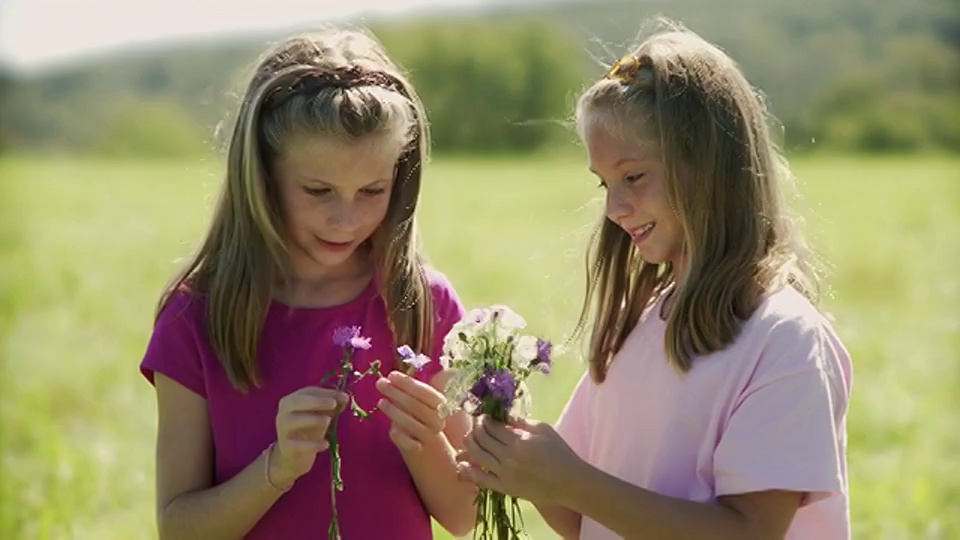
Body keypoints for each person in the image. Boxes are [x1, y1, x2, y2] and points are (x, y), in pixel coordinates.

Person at [458, 21, 853, 540]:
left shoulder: (784, 339)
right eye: (605, 183)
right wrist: (526, 470)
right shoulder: (643, 322)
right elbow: (588, 518)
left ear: (709, 167)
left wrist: (569, 481)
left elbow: (752, 531)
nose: (614, 208)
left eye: (634, 177)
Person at [139, 27, 476, 539]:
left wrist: (427, 442)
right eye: (318, 190)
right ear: (262, 178)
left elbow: (465, 516)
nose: (346, 219)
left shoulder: (423, 304)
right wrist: (275, 469)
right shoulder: (197, 316)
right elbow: (178, 529)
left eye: (372, 190)